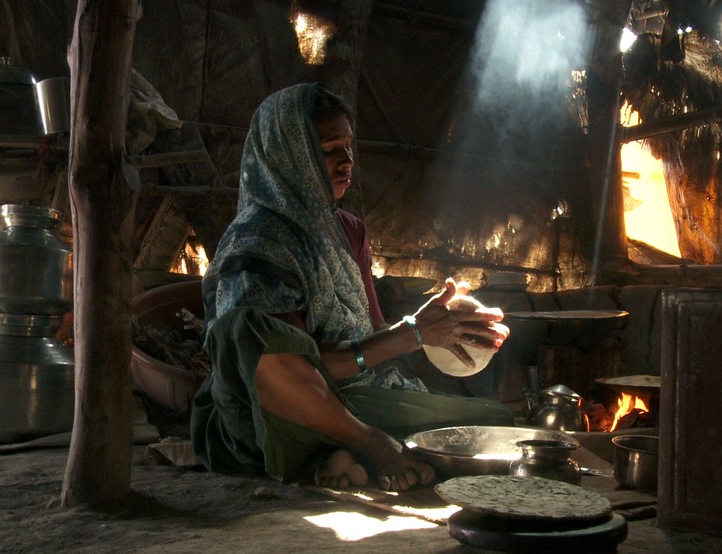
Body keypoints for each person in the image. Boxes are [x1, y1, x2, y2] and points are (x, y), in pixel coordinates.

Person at [190, 82, 514, 492]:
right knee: (247, 332)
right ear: (290, 156)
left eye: (349, 147)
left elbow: (373, 334)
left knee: (494, 426)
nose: (347, 162)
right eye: (328, 150)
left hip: (354, 394)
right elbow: (280, 368)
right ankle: (368, 445)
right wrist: (409, 334)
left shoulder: (348, 231)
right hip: (274, 412)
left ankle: (335, 455)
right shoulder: (256, 246)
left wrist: (434, 328)